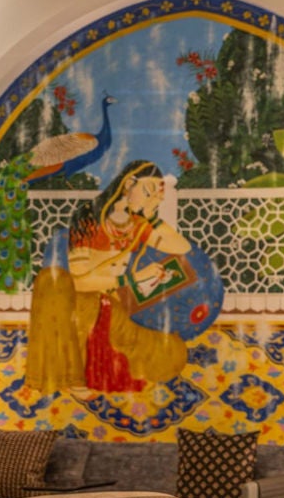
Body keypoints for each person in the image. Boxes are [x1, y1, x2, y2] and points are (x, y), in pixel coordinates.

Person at [27, 160, 192, 393]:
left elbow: (182, 247)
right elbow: (79, 281)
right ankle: (71, 375)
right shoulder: (90, 219)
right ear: (128, 184)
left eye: (157, 195)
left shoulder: (136, 225)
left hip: (115, 304)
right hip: (84, 303)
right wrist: (131, 280)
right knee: (52, 280)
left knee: (170, 353)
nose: (152, 199)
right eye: (148, 191)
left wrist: (152, 217)